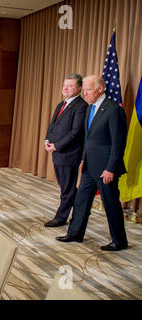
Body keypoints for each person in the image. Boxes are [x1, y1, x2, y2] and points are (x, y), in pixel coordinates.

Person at [56, 75, 128, 251]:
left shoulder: (113, 109)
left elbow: (119, 143)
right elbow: (88, 139)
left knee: (110, 204)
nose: (85, 92)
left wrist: (111, 168)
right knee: (81, 201)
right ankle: (75, 233)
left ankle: (119, 241)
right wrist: (83, 159)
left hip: (105, 169)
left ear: (100, 89)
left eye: (88, 89)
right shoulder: (90, 108)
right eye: (85, 89)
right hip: (89, 166)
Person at [44, 74, 88, 227]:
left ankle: (61, 217)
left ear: (79, 88)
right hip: (57, 152)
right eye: (64, 85)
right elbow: (53, 125)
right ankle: (82, 211)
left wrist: (57, 146)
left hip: (69, 154)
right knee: (66, 187)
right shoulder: (60, 104)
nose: (65, 88)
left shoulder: (81, 106)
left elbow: (76, 132)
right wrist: (47, 140)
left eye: (70, 85)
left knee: (67, 189)